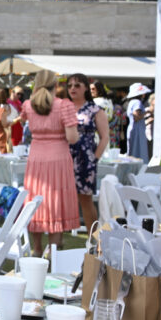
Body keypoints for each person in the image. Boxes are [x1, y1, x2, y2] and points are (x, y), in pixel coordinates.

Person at [20, 70, 80, 255]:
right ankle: (54, 252)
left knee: (35, 200)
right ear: (56, 85)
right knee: (56, 200)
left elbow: (24, 122)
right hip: (58, 158)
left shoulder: (28, 105)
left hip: (36, 157)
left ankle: (36, 248)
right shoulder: (64, 106)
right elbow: (72, 138)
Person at [66, 73, 109, 236]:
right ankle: (58, 241)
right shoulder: (64, 108)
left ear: (86, 88)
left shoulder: (95, 110)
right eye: (70, 85)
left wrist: (94, 158)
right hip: (64, 158)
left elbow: (105, 137)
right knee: (63, 199)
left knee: (85, 200)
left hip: (85, 160)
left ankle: (94, 238)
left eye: (77, 85)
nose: (72, 89)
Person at [125, 82, 151, 161]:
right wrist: (147, 112)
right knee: (138, 152)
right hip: (137, 130)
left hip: (133, 128)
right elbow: (136, 116)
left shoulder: (131, 102)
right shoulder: (137, 102)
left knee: (132, 150)